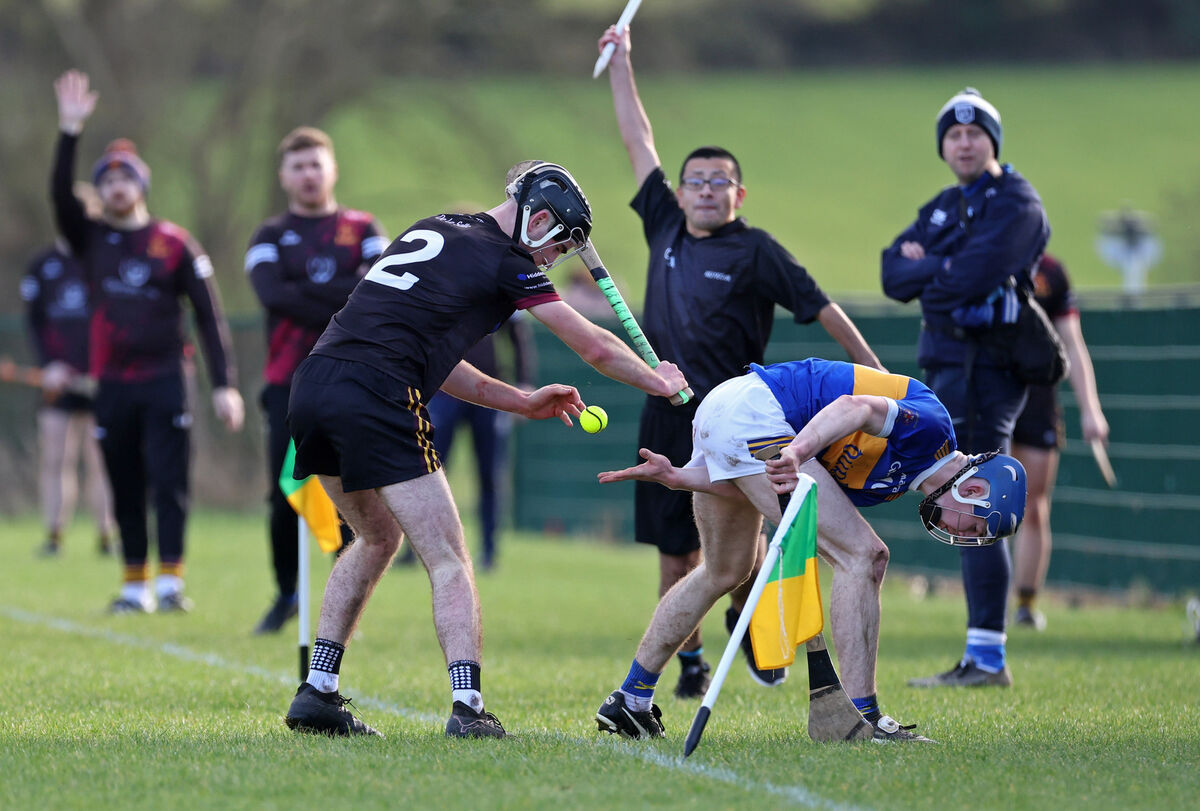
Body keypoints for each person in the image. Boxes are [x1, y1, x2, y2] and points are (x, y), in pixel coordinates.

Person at [282, 160, 689, 739]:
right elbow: (593, 346)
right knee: (448, 556)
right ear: (539, 218)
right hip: (377, 393)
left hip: (316, 386)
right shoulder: (508, 260)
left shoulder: (438, 226)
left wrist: (520, 401)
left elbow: (440, 362)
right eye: (557, 245)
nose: (552, 260)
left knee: (375, 537)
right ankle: (468, 708)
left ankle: (317, 691)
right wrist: (658, 380)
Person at [598, 24, 883, 699]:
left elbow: (821, 307)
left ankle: (755, 628)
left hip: (737, 417)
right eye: (694, 180)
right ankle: (685, 664)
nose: (702, 190)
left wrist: (876, 376)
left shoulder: (756, 251)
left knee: (754, 549)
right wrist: (621, 61)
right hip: (665, 410)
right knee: (677, 551)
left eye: (717, 182)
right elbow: (638, 140)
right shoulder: (665, 224)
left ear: (738, 194)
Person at [592, 358, 1027, 743]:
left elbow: (755, 475)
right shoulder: (933, 430)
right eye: (971, 524)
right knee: (865, 556)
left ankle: (630, 700)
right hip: (760, 414)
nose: (959, 533)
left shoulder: (891, 484)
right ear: (972, 488)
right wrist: (798, 450)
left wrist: (683, 478)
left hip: (731, 416)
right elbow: (852, 408)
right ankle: (862, 718)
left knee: (724, 571)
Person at [52, 70, 244, 614]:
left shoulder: (175, 243)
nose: (116, 186)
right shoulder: (90, 239)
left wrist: (224, 385)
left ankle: (170, 582)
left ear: (141, 186)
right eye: (106, 179)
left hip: (167, 379)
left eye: (126, 178)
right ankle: (134, 584)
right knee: (124, 482)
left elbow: (209, 318)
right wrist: (69, 132)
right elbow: (59, 198)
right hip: (111, 382)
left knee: (169, 481)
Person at [881, 87, 1049, 687]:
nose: (965, 141)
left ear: (993, 140)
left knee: (975, 498)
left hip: (989, 370)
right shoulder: (945, 204)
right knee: (961, 495)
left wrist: (935, 264)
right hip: (949, 367)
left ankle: (987, 658)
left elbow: (973, 274)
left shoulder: (1016, 201)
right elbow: (891, 274)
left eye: (976, 133)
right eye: (953, 134)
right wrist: (944, 266)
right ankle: (982, 655)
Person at [244, 126, 388, 634]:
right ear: (284, 176)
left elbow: (377, 287)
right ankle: (285, 593)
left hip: (350, 380)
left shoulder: (363, 226)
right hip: (286, 381)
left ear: (332, 169)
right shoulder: (268, 236)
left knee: (353, 492)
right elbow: (271, 295)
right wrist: (339, 294)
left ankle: (340, 601)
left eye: (316, 164)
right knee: (286, 493)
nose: (308, 174)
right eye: (298, 166)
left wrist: (308, 290)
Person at [1010, 252, 1108, 630]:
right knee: (984, 502)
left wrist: (1090, 409)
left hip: (1039, 401)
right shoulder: (985, 256)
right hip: (991, 394)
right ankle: (983, 609)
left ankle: (1025, 604)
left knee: (1034, 507)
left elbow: (1073, 344)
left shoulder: (1051, 273)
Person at [21, 182, 114, 557]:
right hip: (59, 380)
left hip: (101, 380)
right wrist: (49, 367)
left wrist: (103, 368)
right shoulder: (41, 266)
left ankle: (108, 535)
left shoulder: (103, 261)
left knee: (102, 460)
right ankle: (54, 535)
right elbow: (34, 322)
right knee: (56, 458)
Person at [425, 313, 536, 571]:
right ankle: (421, 548)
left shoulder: (498, 277)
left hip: (490, 392)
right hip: (445, 390)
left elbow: (518, 334)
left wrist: (523, 381)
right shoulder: (442, 278)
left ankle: (488, 550)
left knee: (489, 475)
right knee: (430, 470)